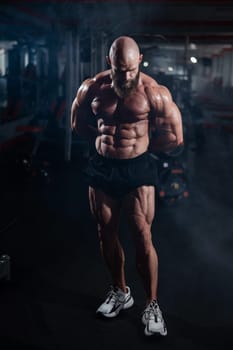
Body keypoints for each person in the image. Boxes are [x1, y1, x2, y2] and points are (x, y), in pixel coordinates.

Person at [71, 36, 183, 336]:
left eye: (131, 70)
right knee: (104, 229)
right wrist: (101, 143)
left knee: (141, 234)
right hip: (103, 166)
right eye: (121, 71)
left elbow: (175, 136)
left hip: (137, 167)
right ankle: (121, 292)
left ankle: (151, 304)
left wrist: (141, 148)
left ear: (140, 61)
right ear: (110, 64)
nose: (126, 76)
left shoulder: (153, 92)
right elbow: (77, 122)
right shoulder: (92, 87)